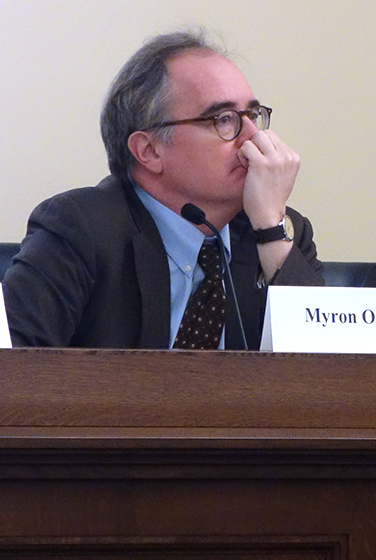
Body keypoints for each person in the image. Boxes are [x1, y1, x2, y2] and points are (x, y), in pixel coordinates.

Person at [2, 29, 325, 349]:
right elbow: (14, 369)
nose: (253, 137)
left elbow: (330, 381)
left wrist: (269, 230)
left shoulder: (279, 231)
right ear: (149, 151)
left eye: (253, 115)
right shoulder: (81, 229)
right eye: (224, 119)